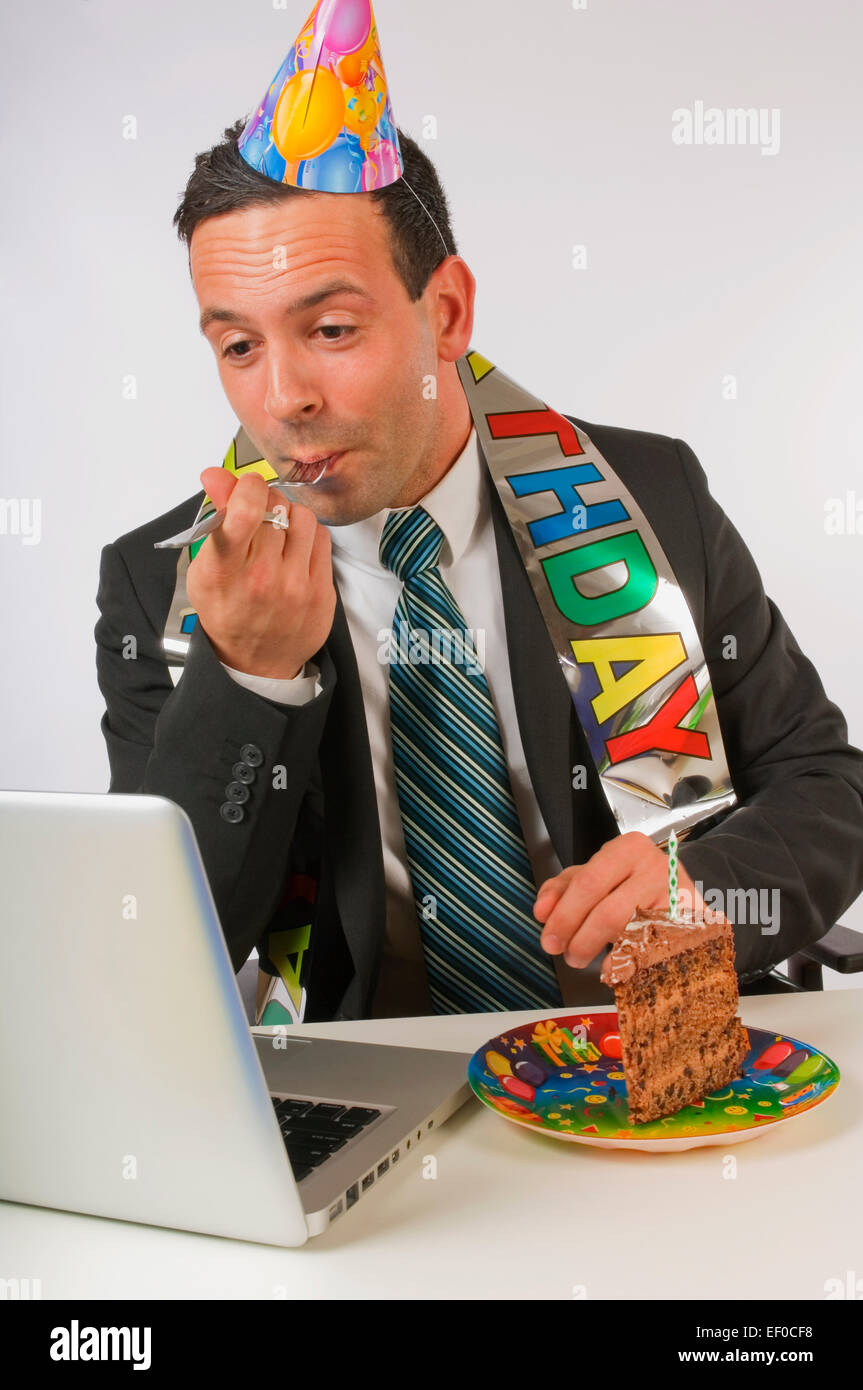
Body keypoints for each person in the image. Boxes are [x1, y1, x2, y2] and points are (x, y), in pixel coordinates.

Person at [94, 111, 863, 1021]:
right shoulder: (163, 587)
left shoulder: (650, 499)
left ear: (447, 312)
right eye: (238, 346)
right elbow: (160, 953)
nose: (283, 399)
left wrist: (702, 892)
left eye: (332, 329)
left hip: (638, 1056)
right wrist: (251, 681)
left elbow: (826, 787)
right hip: (375, 1081)